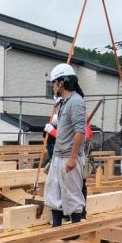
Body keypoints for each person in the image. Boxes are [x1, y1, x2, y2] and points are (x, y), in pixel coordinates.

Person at [44, 63, 87, 227]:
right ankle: (56, 227)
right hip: (58, 155)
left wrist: (72, 157)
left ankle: (74, 231)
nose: (52, 86)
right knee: (53, 192)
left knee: (72, 194)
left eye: (53, 83)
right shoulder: (64, 102)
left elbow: (80, 132)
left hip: (68, 156)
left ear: (62, 82)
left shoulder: (76, 102)